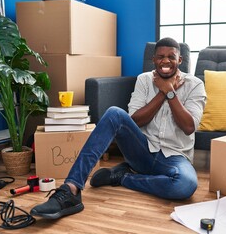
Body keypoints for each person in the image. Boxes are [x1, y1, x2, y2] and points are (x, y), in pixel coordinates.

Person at [30, 37, 207, 219]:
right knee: (115, 113)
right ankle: (71, 189)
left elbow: (188, 127)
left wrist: (170, 93)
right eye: (161, 56)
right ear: (153, 60)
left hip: (175, 158)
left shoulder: (195, 85)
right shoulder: (144, 80)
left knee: (185, 185)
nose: (166, 61)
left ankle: (123, 177)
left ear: (180, 60)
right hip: (142, 150)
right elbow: (136, 120)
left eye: (171, 56)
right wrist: (162, 93)